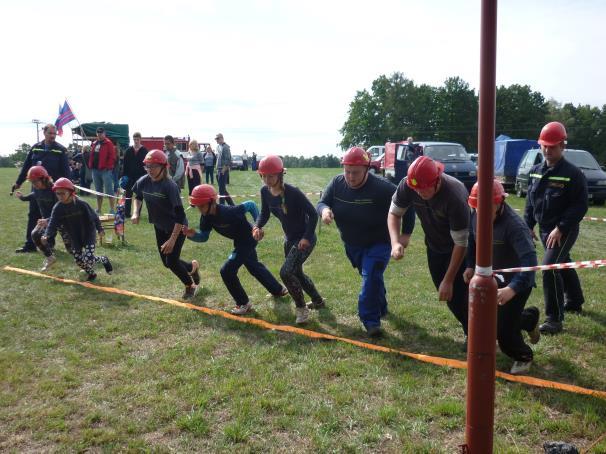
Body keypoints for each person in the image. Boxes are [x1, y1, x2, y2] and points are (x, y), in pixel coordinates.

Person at [317, 147, 414, 336]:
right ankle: (382, 307)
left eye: (355, 172)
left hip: (379, 243)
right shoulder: (337, 183)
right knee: (372, 277)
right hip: (352, 244)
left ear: (366, 169)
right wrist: (324, 211)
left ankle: (370, 321)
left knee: (370, 277)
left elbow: (407, 205)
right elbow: (322, 202)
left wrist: (405, 235)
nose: (350, 177)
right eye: (347, 171)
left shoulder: (382, 187)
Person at [388, 156, 470, 343]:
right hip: (434, 246)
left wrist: (449, 279)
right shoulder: (408, 185)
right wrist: (395, 242)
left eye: (424, 188)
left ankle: (480, 333)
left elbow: (461, 242)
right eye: (415, 188)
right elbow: (394, 213)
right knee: (450, 297)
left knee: (462, 295)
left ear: (437, 180)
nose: (419, 192)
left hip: (462, 248)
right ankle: (472, 330)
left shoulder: (454, 195)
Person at [463, 180, 541, 375]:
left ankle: (523, 356)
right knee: (497, 320)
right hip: (494, 279)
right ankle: (529, 319)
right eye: (477, 206)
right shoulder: (475, 215)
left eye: (487, 207)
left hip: (518, 283)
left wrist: (512, 289)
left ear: (499, 203)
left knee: (502, 331)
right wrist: (470, 265)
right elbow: (472, 241)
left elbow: (530, 262)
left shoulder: (515, 226)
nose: (481, 211)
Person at [524, 121, 588, 335]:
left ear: (562, 146)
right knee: (563, 262)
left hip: (564, 230)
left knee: (549, 267)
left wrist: (561, 228)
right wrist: (527, 226)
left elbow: (580, 205)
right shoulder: (534, 171)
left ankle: (554, 318)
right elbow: (530, 203)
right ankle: (575, 300)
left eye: (552, 146)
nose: (548, 150)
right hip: (544, 229)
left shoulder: (573, 173)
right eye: (544, 146)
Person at [184, 184, 287, 315]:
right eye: (197, 206)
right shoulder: (206, 218)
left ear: (212, 202)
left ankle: (243, 303)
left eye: (202, 205)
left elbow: (250, 204)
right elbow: (204, 237)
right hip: (239, 241)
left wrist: (257, 226)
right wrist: (192, 235)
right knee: (253, 266)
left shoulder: (228, 212)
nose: (200, 209)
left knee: (226, 271)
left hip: (248, 239)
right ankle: (278, 290)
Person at [252, 155, 324, 324]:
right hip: (290, 239)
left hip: (305, 238)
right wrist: (257, 226)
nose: (268, 180)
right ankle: (318, 301)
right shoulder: (265, 192)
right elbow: (264, 213)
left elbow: (313, 214)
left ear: (280, 174)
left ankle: (301, 309)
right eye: (264, 176)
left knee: (286, 272)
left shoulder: (293, 192)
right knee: (296, 273)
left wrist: (306, 238)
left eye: (271, 176)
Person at [131, 150, 200, 300]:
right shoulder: (144, 181)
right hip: (159, 226)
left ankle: (190, 285)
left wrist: (172, 239)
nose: (149, 170)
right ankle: (192, 267)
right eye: (147, 166)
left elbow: (180, 216)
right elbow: (138, 196)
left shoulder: (170, 186)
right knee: (166, 262)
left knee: (172, 261)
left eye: (153, 166)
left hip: (178, 227)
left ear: (163, 166)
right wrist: (136, 212)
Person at [12, 124, 70, 253]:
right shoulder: (35, 148)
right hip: (37, 189)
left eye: (54, 134)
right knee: (33, 215)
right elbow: (26, 166)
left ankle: (49, 244)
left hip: (53, 190)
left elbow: (66, 172)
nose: (53, 136)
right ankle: (30, 245)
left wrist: (67, 188)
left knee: (51, 217)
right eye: (50, 133)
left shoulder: (61, 150)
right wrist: (18, 182)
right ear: (44, 133)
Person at [41, 178, 112, 281]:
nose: (60, 196)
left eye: (63, 193)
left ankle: (103, 259)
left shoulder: (81, 204)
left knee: (88, 258)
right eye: (57, 194)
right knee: (79, 260)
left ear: (70, 192)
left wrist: (100, 229)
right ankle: (91, 274)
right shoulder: (58, 208)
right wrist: (46, 234)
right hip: (73, 236)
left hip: (88, 233)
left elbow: (94, 217)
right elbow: (52, 222)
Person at [14, 166, 72, 271]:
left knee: (72, 250)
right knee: (35, 234)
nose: (34, 184)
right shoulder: (37, 191)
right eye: (31, 182)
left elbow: (62, 211)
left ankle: (85, 263)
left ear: (44, 178)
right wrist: (22, 197)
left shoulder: (55, 191)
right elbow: (30, 197)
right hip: (46, 221)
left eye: (35, 181)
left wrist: (48, 220)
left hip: (61, 221)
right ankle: (50, 257)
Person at [89, 127, 117, 215]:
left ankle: (112, 209)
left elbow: (112, 157)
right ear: (96, 134)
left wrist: (108, 167)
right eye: (98, 133)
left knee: (109, 190)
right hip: (95, 170)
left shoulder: (109, 143)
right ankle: (98, 209)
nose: (99, 135)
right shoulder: (94, 143)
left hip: (105, 170)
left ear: (104, 134)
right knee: (98, 190)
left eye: (101, 133)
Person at [121, 132, 148, 217]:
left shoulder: (144, 150)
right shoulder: (128, 150)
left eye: (138, 139)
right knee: (128, 195)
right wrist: (123, 176)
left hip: (141, 177)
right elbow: (124, 164)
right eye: (135, 139)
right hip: (129, 176)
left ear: (140, 139)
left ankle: (137, 213)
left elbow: (147, 164)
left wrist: (146, 175)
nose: (136, 141)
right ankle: (127, 213)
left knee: (139, 195)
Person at [215, 133, 234, 205]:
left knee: (221, 190)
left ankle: (221, 205)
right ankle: (232, 205)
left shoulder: (226, 147)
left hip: (223, 170)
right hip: (218, 169)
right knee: (222, 189)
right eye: (216, 139)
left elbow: (228, 159)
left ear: (221, 138)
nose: (216, 140)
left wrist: (224, 169)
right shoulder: (218, 147)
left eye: (217, 139)